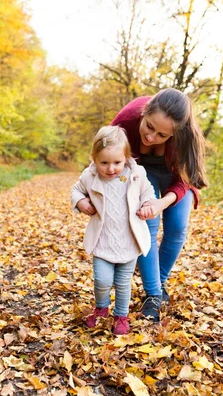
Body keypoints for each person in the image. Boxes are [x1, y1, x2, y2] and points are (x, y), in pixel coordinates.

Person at [111, 88, 208, 322]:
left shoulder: (186, 137)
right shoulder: (125, 122)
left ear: (175, 133)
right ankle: (153, 295)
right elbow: (104, 152)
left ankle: (159, 281)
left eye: (162, 135)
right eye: (149, 126)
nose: (152, 137)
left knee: (177, 228)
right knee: (148, 225)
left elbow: (185, 179)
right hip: (144, 173)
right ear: (144, 112)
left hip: (177, 178)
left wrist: (162, 203)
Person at [71, 125, 156, 335]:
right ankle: (101, 308)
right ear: (94, 159)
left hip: (128, 240)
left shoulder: (136, 174)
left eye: (117, 162)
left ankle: (121, 316)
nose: (111, 169)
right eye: (104, 163)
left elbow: (148, 193)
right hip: (103, 240)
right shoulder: (90, 176)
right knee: (102, 279)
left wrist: (147, 204)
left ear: (126, 157)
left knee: (123, 282)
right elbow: (76, 190)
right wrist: (81, 201)